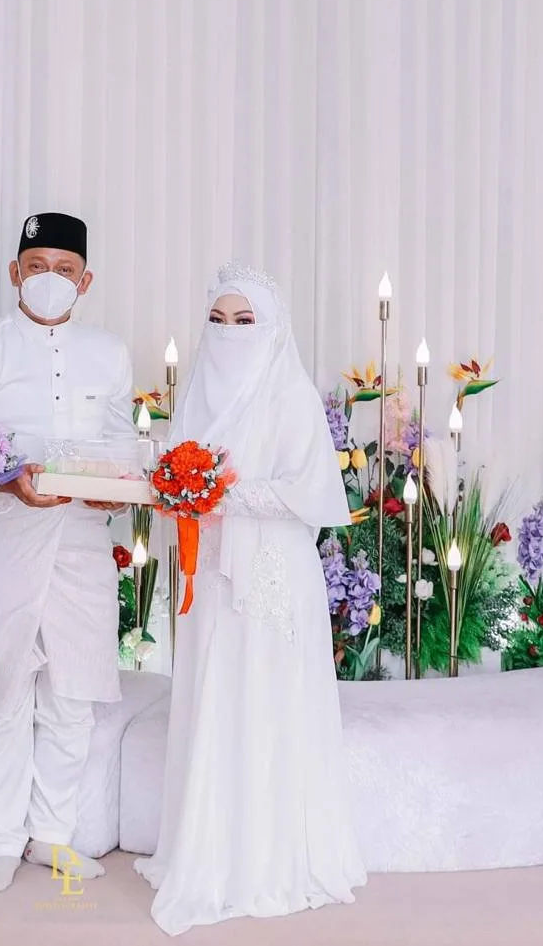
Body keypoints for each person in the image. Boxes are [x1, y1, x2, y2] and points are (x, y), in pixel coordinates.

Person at [135, 261, 366, 935]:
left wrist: (217, 489)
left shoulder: (290, 395)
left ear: (271, 328)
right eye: (217, 319)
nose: (229, 332)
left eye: (244, 320)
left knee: (267, 699)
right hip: (211, 574)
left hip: (272, 577)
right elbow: (178, 475)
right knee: (215, 694)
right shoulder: (197, 394)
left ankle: (268, 859)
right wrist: (181, 485)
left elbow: (307, 494)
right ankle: (210, 850)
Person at [0, 212, 134, 893]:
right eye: (38, 266)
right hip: (4, 535)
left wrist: (115, 494)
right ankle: (1, 839)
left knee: (73, 692)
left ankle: (51, 835)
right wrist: (8, 481)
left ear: (86, 279)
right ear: (14, 272)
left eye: (65, 269)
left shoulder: (109, 352)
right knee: (2, 688)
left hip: (82, 541)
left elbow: (118, 443)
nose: (52, 278)